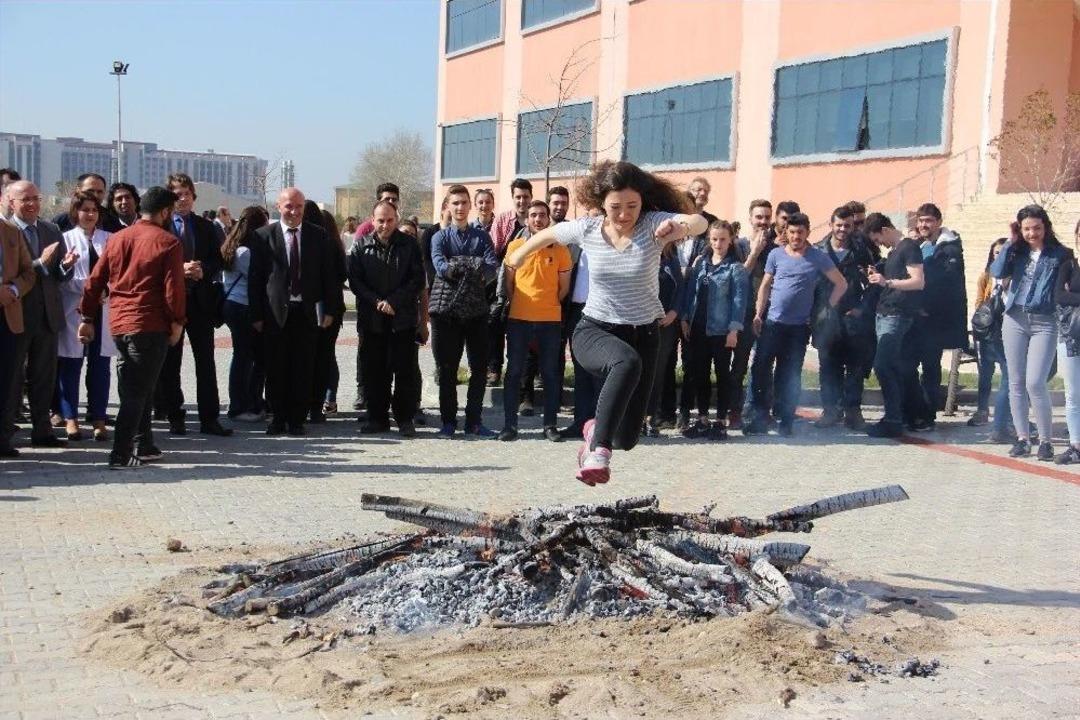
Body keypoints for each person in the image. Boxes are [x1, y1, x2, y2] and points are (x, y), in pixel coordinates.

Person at [507, 160, 708, 485]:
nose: (625, 214)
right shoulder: (588, 229)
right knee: (625, 363)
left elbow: (698, 222)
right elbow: (547, 235)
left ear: (642, 202)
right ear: (602, 203)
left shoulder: (653, 224)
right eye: (616, 207)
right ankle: (597, 452)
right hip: (594, 330)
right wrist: (516, 256)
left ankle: (593, 431)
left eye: (632, 206)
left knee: (627, 438)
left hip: (644, 335)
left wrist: (681, 226)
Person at [78, 186, 186, 468]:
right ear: (165, 212)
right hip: (149, 323)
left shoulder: (117, 239)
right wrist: (177, 322)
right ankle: (121, 453)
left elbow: (95, 281)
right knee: (137, 392)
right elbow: (174, 290)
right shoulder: (168, 242)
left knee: (138, 386)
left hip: (118, 322)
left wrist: (87, 317)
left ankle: (145, 443)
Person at [745, 212, 847, 437]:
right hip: (772, 324)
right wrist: (758, 314)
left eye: (800, 232)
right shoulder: (775, 255)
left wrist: (825, 308)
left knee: (789, 374)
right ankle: (758, 417)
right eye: (792, 232)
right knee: (761, 369)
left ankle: (786, 419)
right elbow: (765, 286)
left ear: (807, 232)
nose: (796, 236)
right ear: (785, 233)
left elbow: (841, 283)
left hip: (799, 328)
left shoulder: (817, 256)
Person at [249, 188, 338, 435]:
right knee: (276, 368)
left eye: (299, 206)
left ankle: (297, 419)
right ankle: (278, 417)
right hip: (274, 313)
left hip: (307, 312)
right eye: (289, 206)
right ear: (279, 206)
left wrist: (330, 309)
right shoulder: (263, 236)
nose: (294, 211)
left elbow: (328, 276)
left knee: (303, 367)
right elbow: (255, 279)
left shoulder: (318, 236)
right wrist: (255, 315)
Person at [154, 173, 231, 436]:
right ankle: (175, 416)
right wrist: (179, 269)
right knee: (170, 363)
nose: (182, 199)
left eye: (186, 194)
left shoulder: (206, 226)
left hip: (200, 302)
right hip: (170, 302)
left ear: (193, 197)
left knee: (205, 362)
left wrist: (203, 270)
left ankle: (210, 418)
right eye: (177, 194)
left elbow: (217, 259)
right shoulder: (161, 227)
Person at [991, 204, 1068, 460]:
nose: (1032, 233)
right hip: (1014, 318)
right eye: (1026, 229)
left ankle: (1045, 441)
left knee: (1035, 382)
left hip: (1045, 320)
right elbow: (997, 271)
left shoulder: (1060, 254)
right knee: (1015, 381)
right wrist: (1012, 242)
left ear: (1045, 227)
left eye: (1036, 228)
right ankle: (1022, 438)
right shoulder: (1016, 252)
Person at [3, 181, 72, 451]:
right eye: (25, 199)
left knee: (45, 376)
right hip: (17, 314)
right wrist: (40, 263)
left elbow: (57, 275)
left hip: (48, 315)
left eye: (36, 198)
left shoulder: (51, 229)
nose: (32, 204)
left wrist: (66, 266)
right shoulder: (7, 232)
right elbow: (17, 275)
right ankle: (5, 435)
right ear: (11, 202)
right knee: (12, 379)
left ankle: (42, 430)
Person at [348, 199, 425, 436]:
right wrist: (378, 302)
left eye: (390, 220)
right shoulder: (361, 246)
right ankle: (377, 419)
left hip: (402, 319)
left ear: (397, 219)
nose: (385, 225)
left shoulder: (410, 245)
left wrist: (394, 301)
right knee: (375, 372)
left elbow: (416, 280)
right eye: (380, 220)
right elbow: (355, 282)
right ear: (372, 221)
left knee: (404, 372)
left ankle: (404, 419)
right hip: (373, 320)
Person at [429, 185, 499, 438]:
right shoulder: (439, 238)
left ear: (470, 206)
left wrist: (464, 265)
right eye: (455, 203)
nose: (459, 208)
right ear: (448, 206)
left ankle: (474, 421)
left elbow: (491, 268)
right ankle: (448, 421)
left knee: (479, 368)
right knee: (447, 368)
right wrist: (472, 265)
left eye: (463, 203)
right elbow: (441, 267)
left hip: (476, 311)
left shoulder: (482, 238)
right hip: (446, 313)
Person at [498, 200, 572, 442]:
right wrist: (520, 302)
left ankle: (550, 425)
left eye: (542, 215)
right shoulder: (516, 247)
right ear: (527, 219)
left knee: (550, 374)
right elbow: (509, 285)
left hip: (550, 320)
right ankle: (510, 426)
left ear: (548, 218)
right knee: (514, 373)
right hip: (519, 319)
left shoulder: (560, 249)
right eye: (533, 215)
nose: (538, 219)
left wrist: (547, 304)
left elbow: (564, 288)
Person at [678, 220, 748, 439]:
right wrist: (685, 318)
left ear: (731, 240)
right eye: (714, 239)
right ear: (709, 240)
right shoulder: (701, 264)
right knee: (700, 374)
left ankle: (720, 421)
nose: (718, 244)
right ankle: (702, 419)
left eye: (723, 239)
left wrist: (734, 330)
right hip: (698, 328)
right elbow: (691, 292)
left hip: (721, 331)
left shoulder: (735, 268)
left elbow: (739, 301)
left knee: (722, 375)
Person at [811, 205, 878, 430]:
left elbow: (873, 282)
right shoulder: (817, 250)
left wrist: (862, 308)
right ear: (831, 225)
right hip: (826, 317)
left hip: (853, 318)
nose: (842, 229)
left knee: (855, 367)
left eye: (847, 225)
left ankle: (853, 411)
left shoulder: (862, 250)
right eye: (838, 225)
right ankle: (830, 410)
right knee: (828, 366)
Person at [903, 203, 967, 431]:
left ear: (938, 222)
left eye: (928, 221)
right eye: (920, 221)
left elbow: (944, 284)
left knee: (930, 369)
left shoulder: (949, 249)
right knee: (907, 365)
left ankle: (927, 416)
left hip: (933, 319)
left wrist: (926, 306)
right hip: (914, 319)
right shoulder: (919, 246)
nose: (923, 225)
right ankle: (912, 411)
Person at [57, 192, 114, 442]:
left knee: (100, 367)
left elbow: (118, 274)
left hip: (104, 308)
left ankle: (99, 419)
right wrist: (70, 270)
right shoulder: (64, 239)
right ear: (75, 213)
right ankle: (70, 418)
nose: (90, 214)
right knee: (71, 365)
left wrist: (107, 289)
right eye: (85, 210)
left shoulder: (110, 239)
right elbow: (58, 278)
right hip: (75, 310)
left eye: (94, 210)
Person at [862, 213, 926, 438]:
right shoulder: (896, 251)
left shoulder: (909, 247)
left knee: (883, 365)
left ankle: (893, 419)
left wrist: (886, 281)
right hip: (885, 312)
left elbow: (918, 281)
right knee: (891, 366)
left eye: (879, 239)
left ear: (885, 230)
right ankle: (900, 414)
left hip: (897, 315)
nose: (880, 244)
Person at [728, 199, 777, 431]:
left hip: (768, 312)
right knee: (739, 364)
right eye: (759, 217)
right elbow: (739, 276)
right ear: (750, 218)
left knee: (764, 365)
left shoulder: (776, 247)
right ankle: (735, 411)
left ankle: (760, 411)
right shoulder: (739, 245)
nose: (763, 222)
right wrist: (755, 251)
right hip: (744, 311)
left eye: (767, 217)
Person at [220, 205, 269, 423]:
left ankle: (240, 402)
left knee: (241, 356)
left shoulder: (231, 245)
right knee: (246, 357)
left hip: (232, 304)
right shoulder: (246, 252)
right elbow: (257, 279)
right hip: (244, 306)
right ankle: (242, 404)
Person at [302, 201, 346, 424]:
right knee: (325, 357)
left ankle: (309, 404)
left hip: (316, 307)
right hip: (332, 307)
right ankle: (318, 405)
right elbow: (341, 275)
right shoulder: (332, 242)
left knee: (309, 357)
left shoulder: (316, 242)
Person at [969, 238, 1012, 442]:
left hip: (1006, 331)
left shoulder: (1012, 277)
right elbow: (979, 300)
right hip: (987, 330)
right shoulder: (986, 276)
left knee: (1008, 373)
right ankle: (983, 409)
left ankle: (1007, 416)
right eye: (996, 252)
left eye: (1002, 252)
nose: (999, 255)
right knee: (985, 372)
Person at [0, 216, 35, 458]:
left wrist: (12, 289)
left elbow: (28, 272)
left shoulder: (11, 231)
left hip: (9, 315)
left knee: (8, 381)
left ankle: (2, 439)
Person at [1054, 219, 1080, 463]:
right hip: (1072, 335)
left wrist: (1074, 295)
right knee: (1073, 394)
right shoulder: (1069, 265)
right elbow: (1059, 295)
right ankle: (1076, 445)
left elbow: (1068, 294)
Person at [53, 173, 122, 233]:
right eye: (90, 191)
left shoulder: (112, 221)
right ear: (78, 190)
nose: (95, 195)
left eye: (99, 192)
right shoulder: (61, 221)